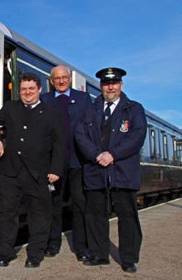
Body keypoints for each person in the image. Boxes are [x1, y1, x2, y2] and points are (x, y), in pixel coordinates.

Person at [0, 73, 66, 268]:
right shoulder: (10, 107)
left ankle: (35, 255)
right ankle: (5, 253)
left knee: (39, 215)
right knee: (8, 215)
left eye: (31, 89)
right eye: (23, 89)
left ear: (39, 90)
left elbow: (60, 144)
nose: (27, 92)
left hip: (39, 173)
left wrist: (56, 169)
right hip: (10, 171)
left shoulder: (52, 113)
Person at [75, 67, 147, 273]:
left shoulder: (134, 109)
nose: (110, 87)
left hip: (122, 172)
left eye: (114, 83)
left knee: (127, 216)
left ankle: (128, 259)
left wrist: (112, 155)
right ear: (101, 86)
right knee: (95, 215)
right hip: (95, 170)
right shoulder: (89, 109)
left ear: (121, 85)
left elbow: (137, 137)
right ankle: (99, 255)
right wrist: (97, 155)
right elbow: (80, 136)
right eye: (107, 84)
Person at [40, 65, 92, 261]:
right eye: (57, 79)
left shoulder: (83, 99)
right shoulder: (44, 100)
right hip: (53, 164)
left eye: (64, 78)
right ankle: (53, 243)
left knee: (80, 204)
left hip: (77, 161)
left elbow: (90, 128)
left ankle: (81, 246)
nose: (61, 81)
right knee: (53, 205)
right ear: (51, 81)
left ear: (69, 79)